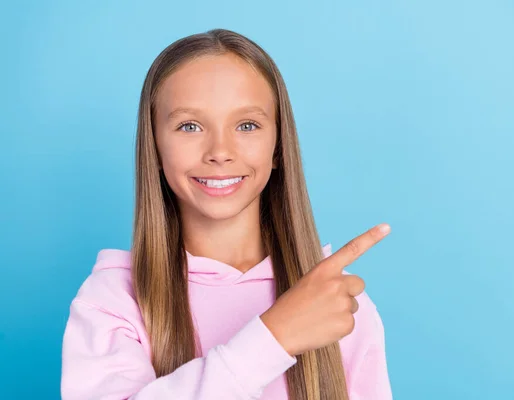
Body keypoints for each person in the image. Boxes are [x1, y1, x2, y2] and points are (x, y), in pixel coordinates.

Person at [61, 28, 393, 400]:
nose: (220, 151)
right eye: (190, 126)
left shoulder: (333, 301)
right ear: (153, 148)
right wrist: (273, 338)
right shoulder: (113, 299)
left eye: (247, 125)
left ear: (278, 146)